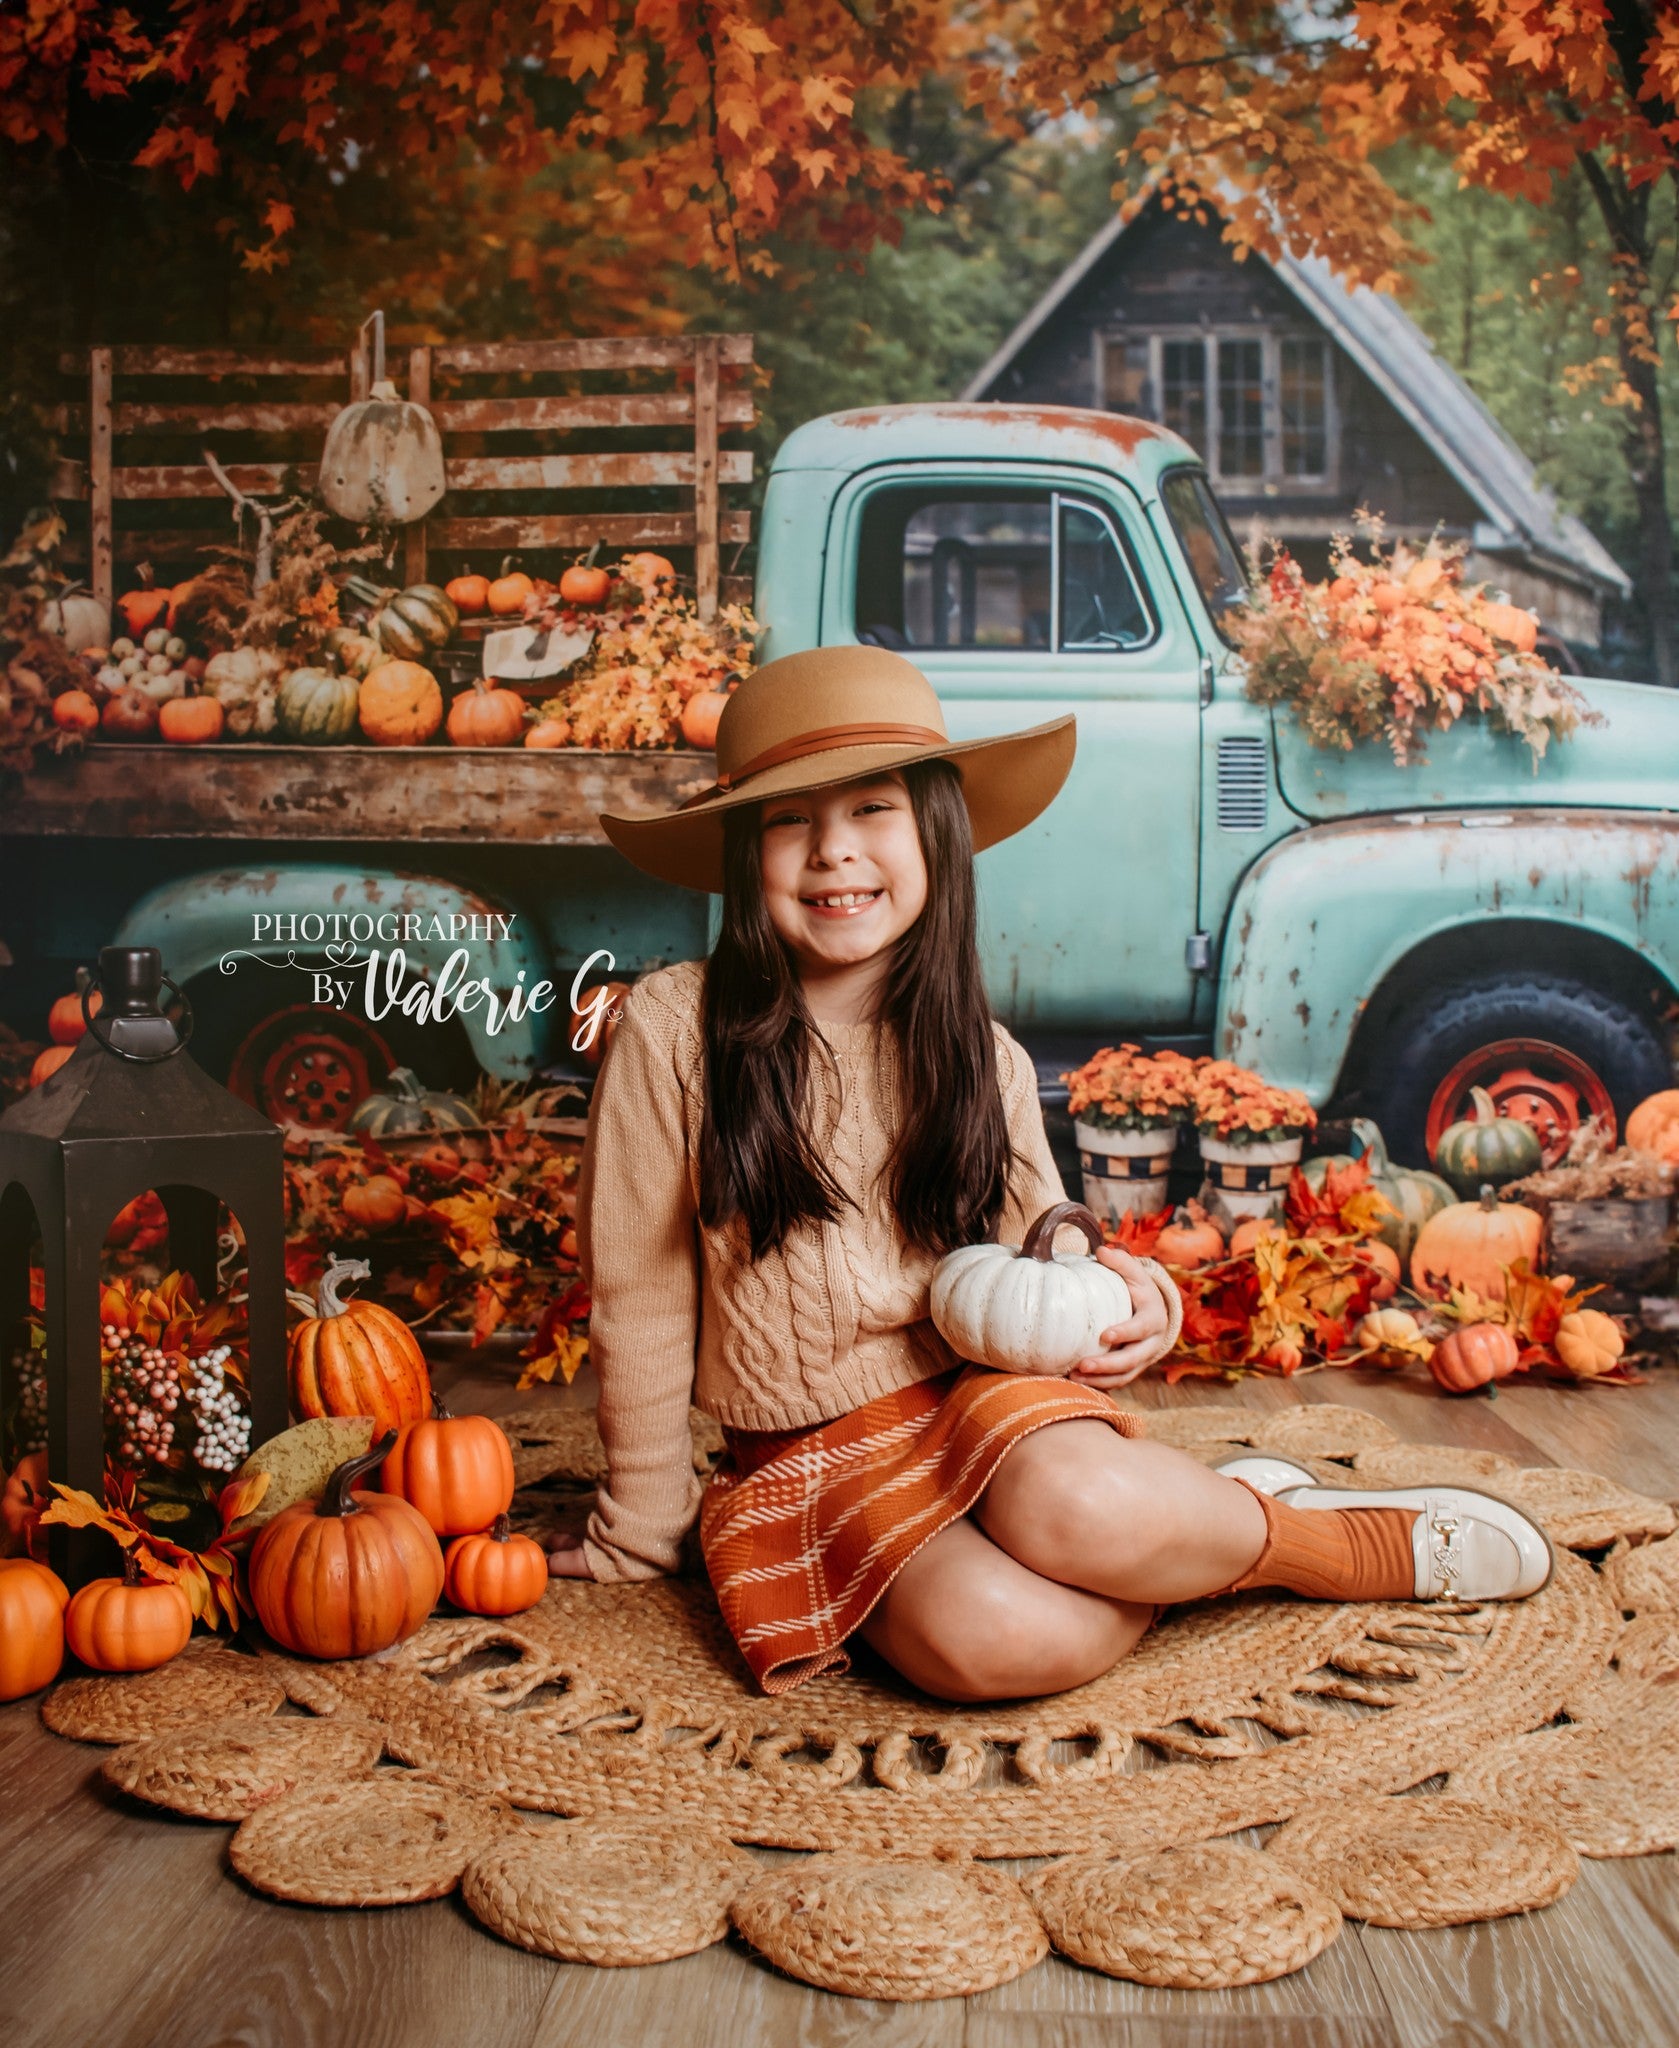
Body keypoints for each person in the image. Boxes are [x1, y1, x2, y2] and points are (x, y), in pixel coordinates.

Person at [546, 645, 1552, 1702]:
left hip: (980, 1387)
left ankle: (1323, 1543)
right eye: (790, 819)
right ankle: (1200, 1532)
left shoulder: (980, 1054)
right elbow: (643, 1296)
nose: (832, 854)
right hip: (803, 1452)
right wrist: (643, 1523)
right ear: (745, 852)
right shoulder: (673, 1027)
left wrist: (1133, 1289)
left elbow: (1046, 1243)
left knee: (1079, 1514)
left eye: (872, 809)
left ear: (936, 832)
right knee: (1000, 1643)